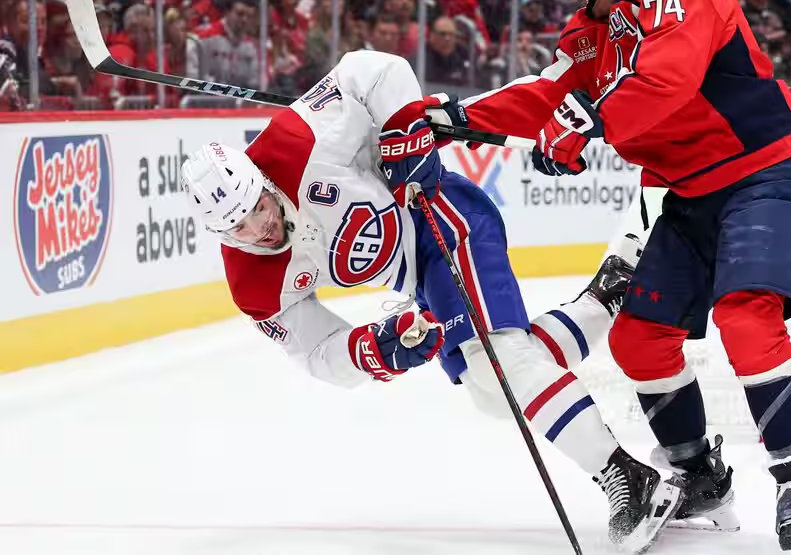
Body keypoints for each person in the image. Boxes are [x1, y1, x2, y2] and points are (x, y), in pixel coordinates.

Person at [424, 0, 791, 553]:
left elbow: (667, 80)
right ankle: (702, 475)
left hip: (766, 173)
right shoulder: (588, 36)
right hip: (693, 195)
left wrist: (585, 120)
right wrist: (453, 117)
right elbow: (541, 96)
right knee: (640, 338)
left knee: (744, 314)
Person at [179, 50, 683, 551]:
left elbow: (371, 69)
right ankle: (606, 296)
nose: (259, 228)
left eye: (258, 208)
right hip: (416, 275)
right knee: (495, 390)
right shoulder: (253, 284)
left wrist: (402, 126)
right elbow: (314, 351)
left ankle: (625, 476)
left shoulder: (299, 139)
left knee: (500, 366)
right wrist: (372, 349)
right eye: (238, 227)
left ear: (263, 183)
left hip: (443, 219)